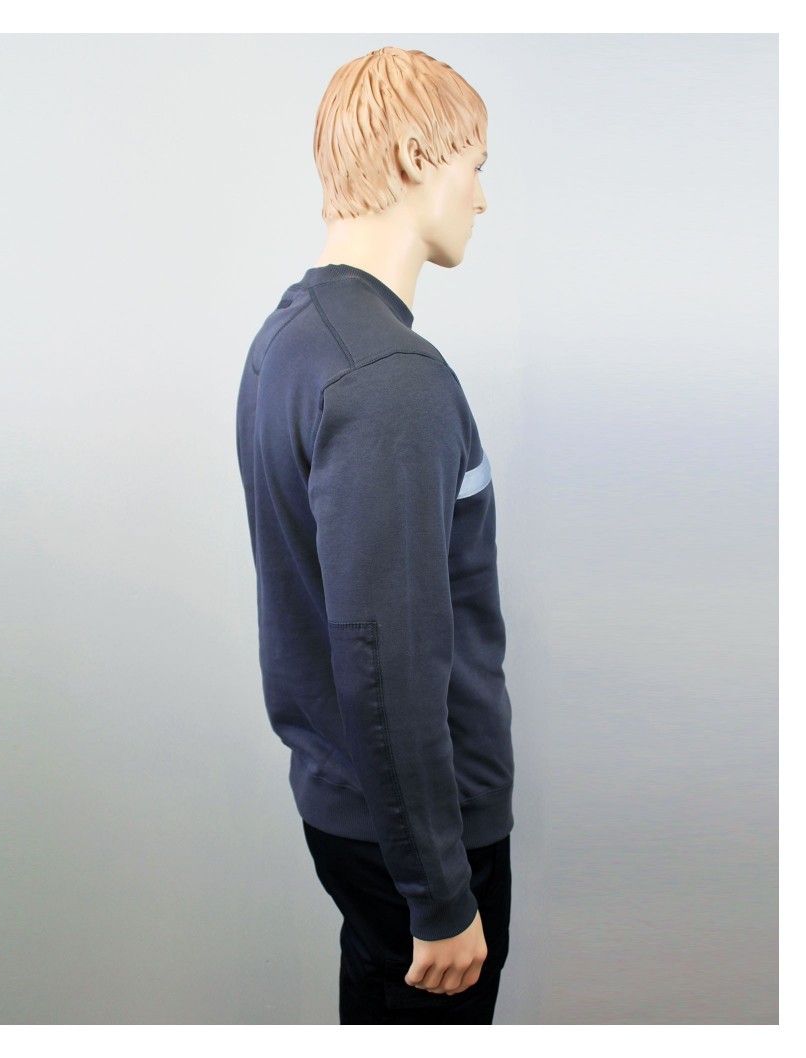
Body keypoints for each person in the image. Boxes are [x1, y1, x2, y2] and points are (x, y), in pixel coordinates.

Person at [236, 46, 514, 1024]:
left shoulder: (290, 339)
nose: (481, 197)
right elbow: (384, 657)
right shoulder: (391, 379)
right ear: (411, 157)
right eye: (474, 164)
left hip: (355, 811)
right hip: (422, 841)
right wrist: (438, 892)